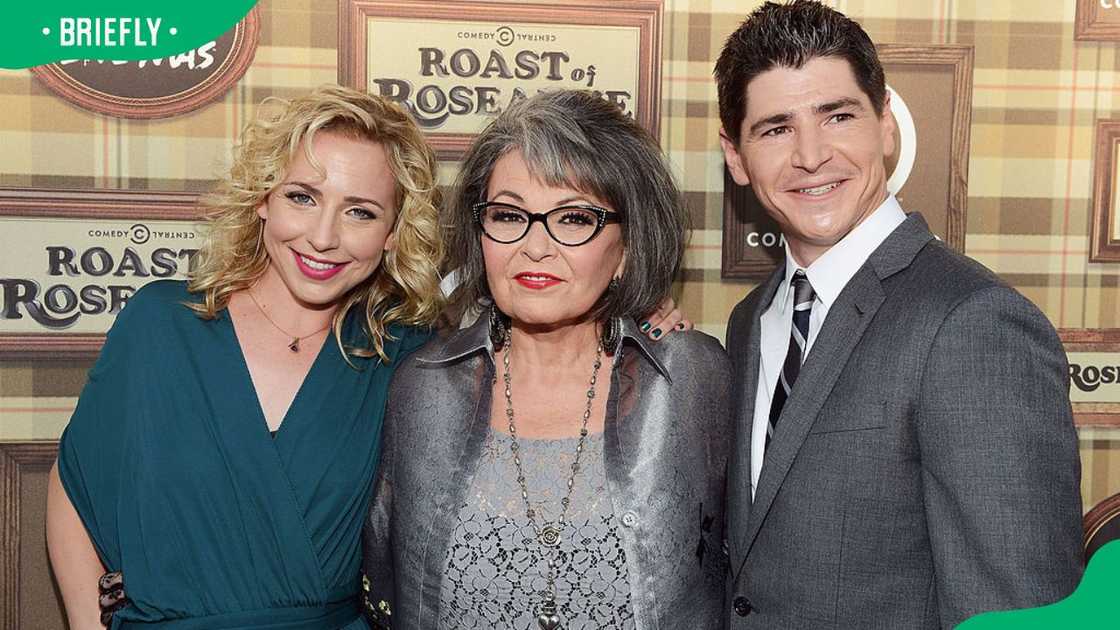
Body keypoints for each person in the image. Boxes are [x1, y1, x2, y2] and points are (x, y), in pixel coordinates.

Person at [716, 1, 1083, 627]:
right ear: (736, 157)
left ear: (886, 124)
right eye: (776, 128)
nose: (811, 155)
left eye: (837, 116)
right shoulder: (752, 319)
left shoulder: (974, 324)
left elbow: (1017, 610)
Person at [46, 85, 445, 629]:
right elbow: (74, 484)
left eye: (360, 212)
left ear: (394, 234)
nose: (323, 237)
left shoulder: (407, 359)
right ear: (262, 198)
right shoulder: (160, 324)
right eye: (302, 197)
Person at [361, 89, 730, 630]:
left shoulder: (690, 378)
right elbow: (385, 582)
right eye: (509, 216)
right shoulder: (423, 386)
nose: (535, 247)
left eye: (575, 218)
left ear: (627, 247)